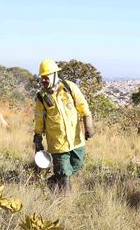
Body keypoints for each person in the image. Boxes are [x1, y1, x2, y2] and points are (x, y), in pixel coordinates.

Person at [33, 58, 95, 191]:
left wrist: (88, 125)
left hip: (76, 140)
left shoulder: (69, 87)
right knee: (64, 172)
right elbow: (38, 119)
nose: (43, 80)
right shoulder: (41, 98)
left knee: (76, 164)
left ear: (54, 75)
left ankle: (52, 182)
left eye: (46, 77)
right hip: (57, 144)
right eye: (42, 77)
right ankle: (65, 200)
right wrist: (37, 139)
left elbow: (83, 106)